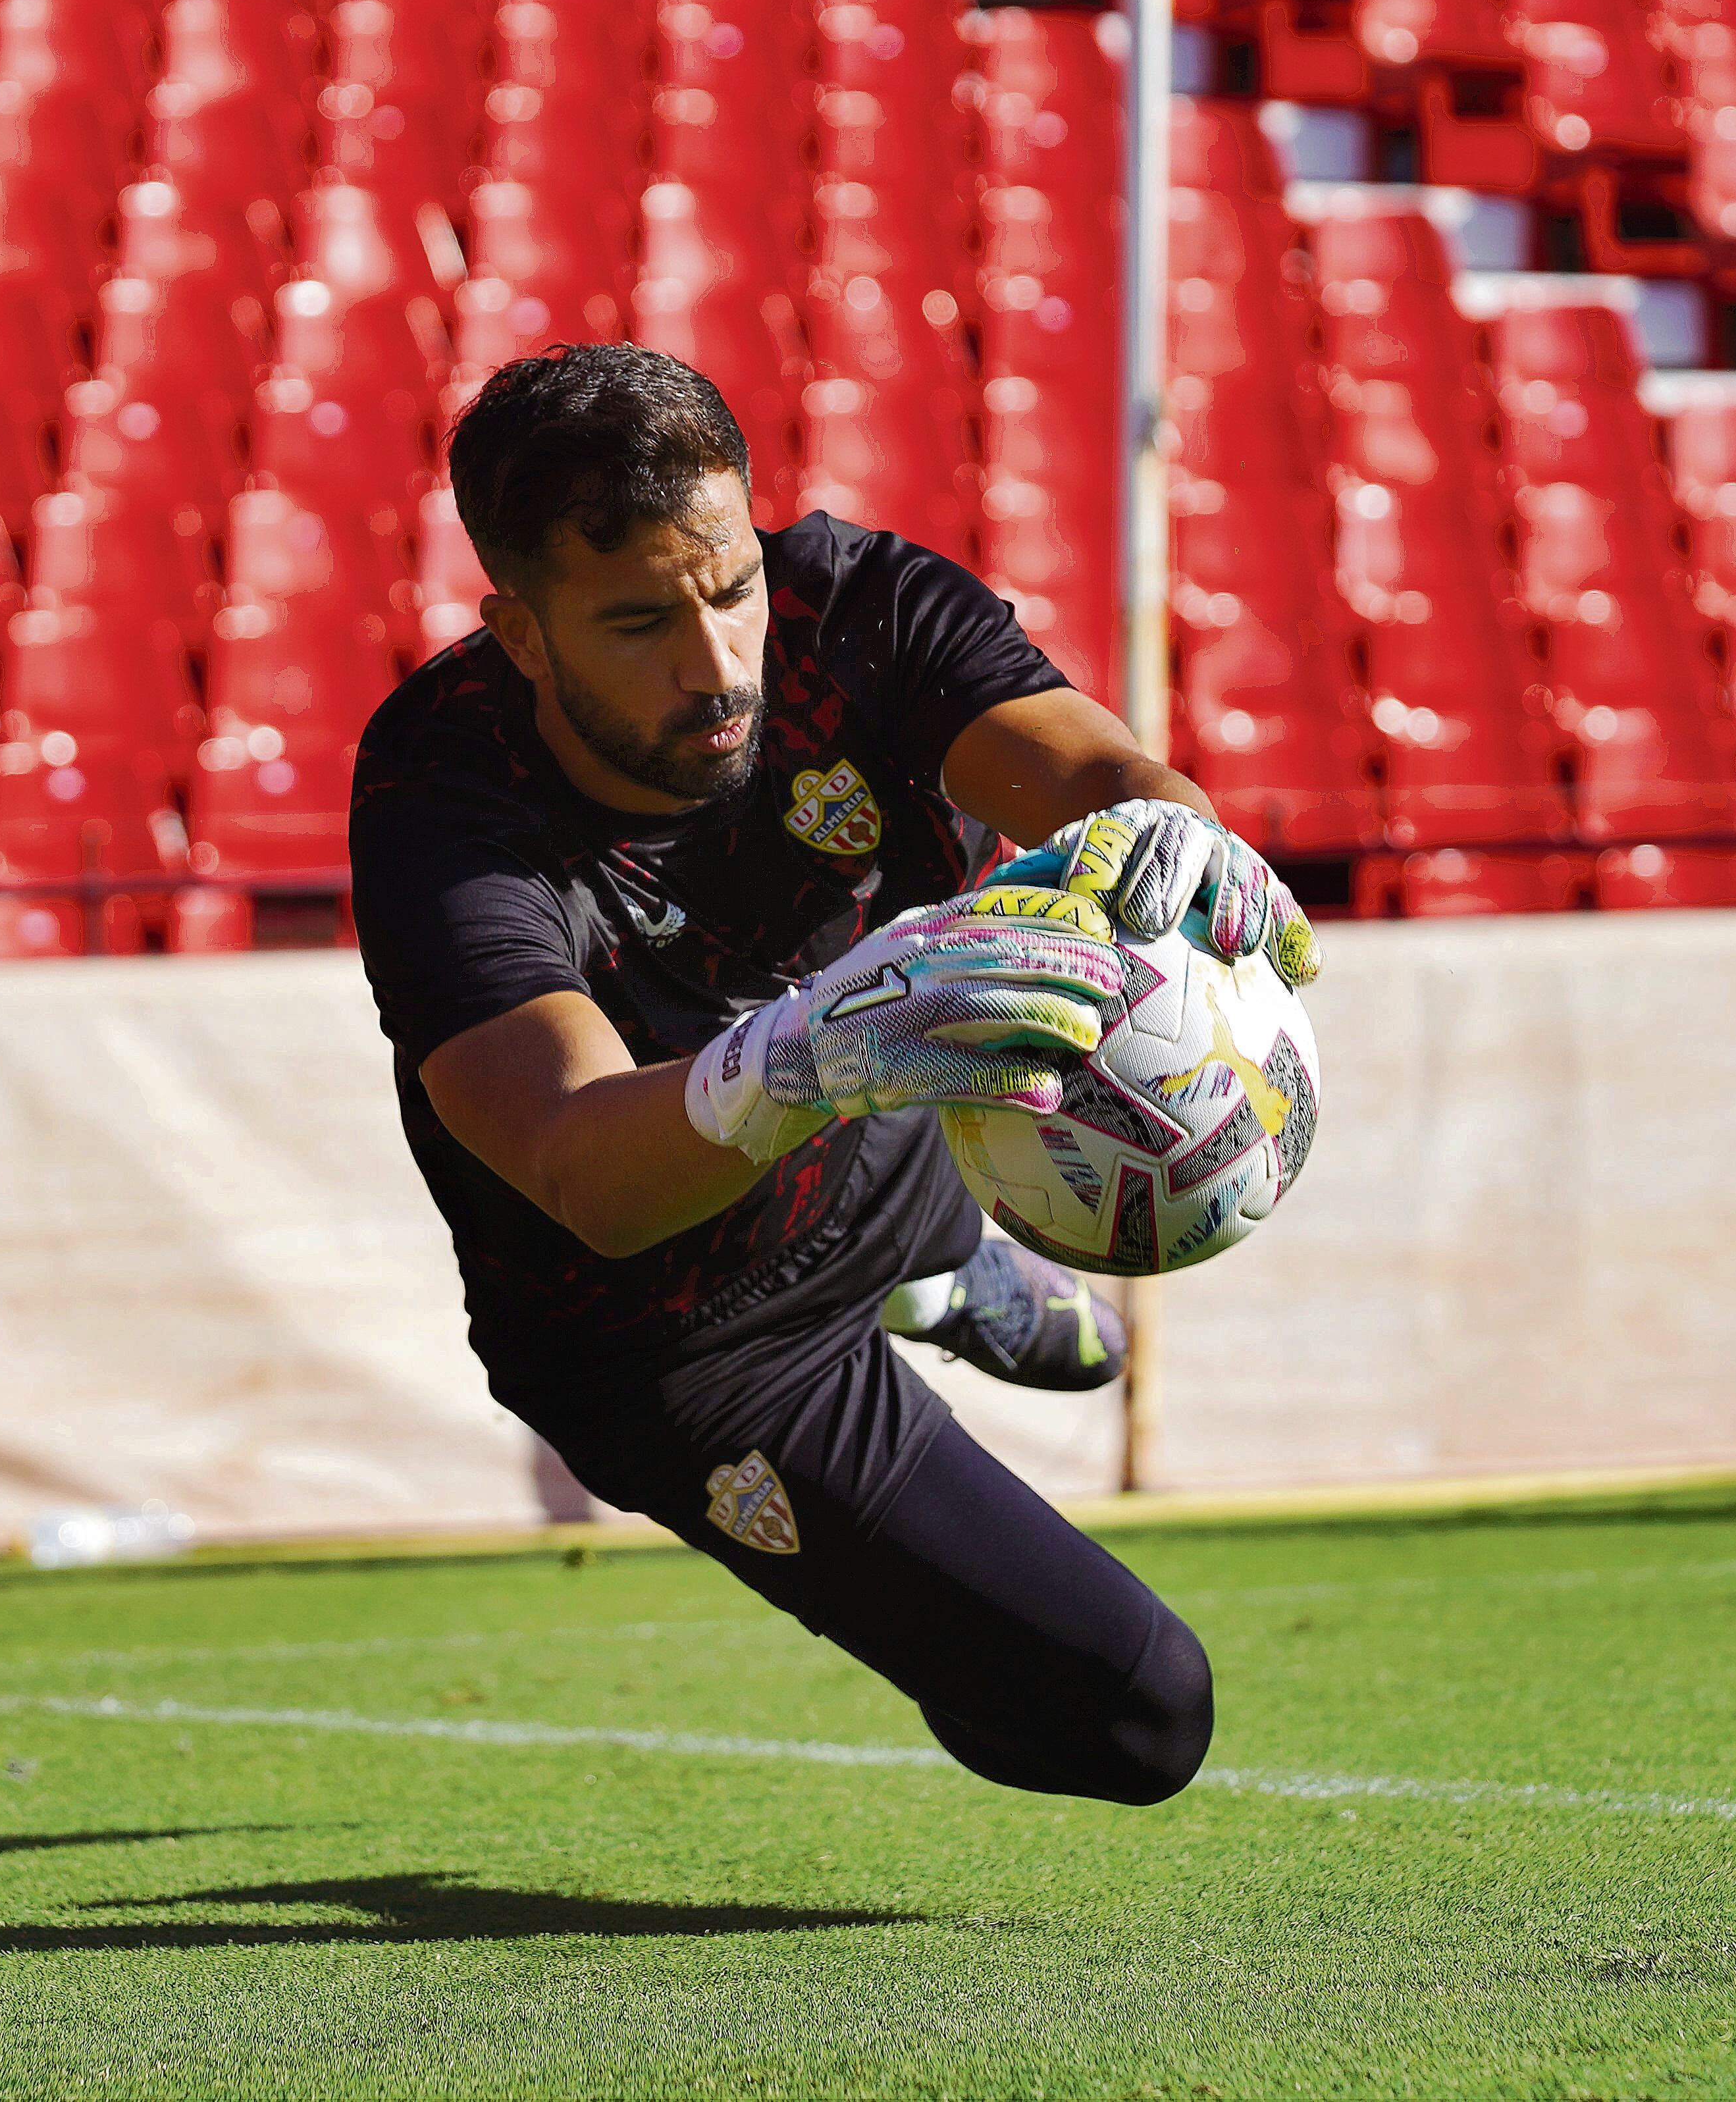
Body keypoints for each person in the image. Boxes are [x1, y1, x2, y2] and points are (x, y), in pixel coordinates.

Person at [350, 344, 1319, 1804]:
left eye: (727, 588)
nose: (715, 665)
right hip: (682, 1336)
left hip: (878, 1150)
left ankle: (929, 1258)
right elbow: (578, 1169)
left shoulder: (856, 609)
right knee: (1136, 1718)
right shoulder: (444, 790)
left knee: (896, 1030)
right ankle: (917, 1294)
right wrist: (802, 1050)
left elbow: (1095, 779)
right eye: (635, 624)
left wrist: (1172, 825)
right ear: (523, 636)